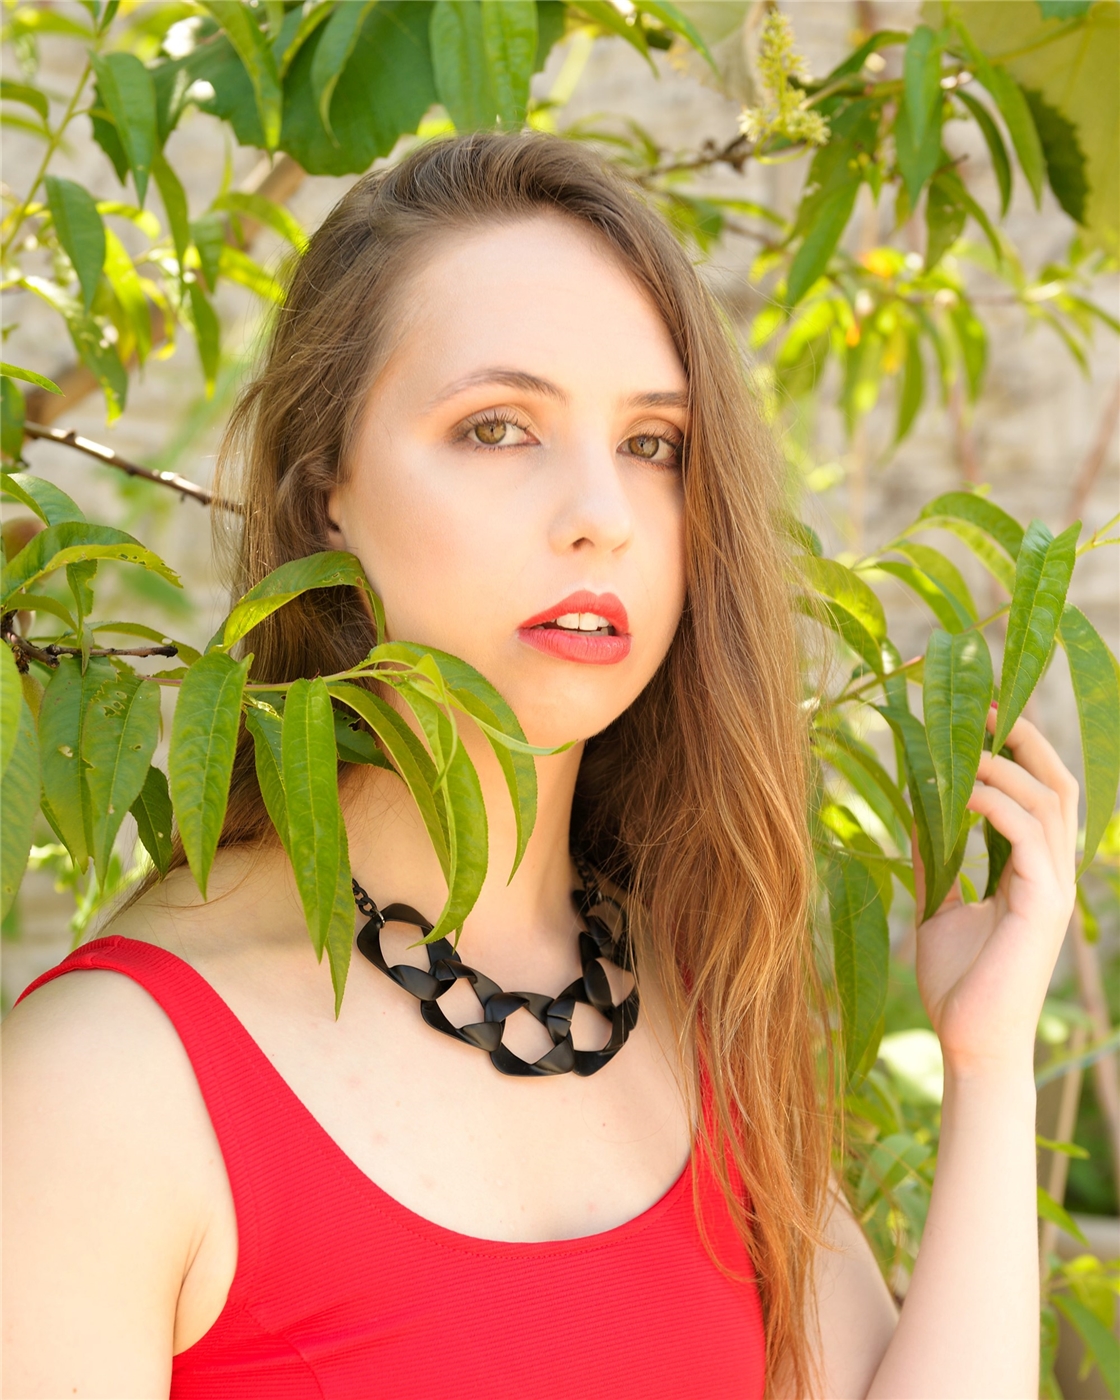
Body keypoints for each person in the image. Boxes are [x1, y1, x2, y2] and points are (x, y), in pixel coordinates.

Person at [3, 133, 1076, 1400]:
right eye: (498, 427)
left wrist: (986, 1062)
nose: (602, 515)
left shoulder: (692, 998)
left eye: (654, 443)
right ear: (327, 489)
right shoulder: (106, 1085)